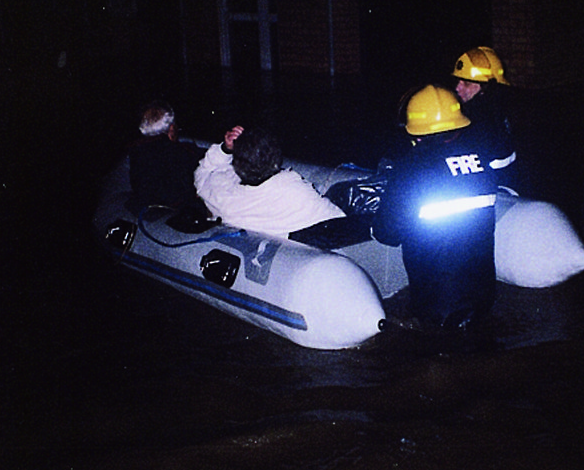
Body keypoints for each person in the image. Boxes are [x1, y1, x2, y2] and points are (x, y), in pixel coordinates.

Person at [372, 84, 510, 330]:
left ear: (415, 130)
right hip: (482, 299)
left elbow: (387, 233)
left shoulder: (411, 167)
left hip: (435, 307)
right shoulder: (481, 158)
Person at [194, 125, 346, 238]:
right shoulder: (296, 191)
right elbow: (339, 221)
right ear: (276, 160)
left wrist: (225, 149)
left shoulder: (221, 196)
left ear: (237, 166)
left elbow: (202, 174)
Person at [452, 46, 519, 191]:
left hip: (496, 191)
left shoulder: (479, 120)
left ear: (486, 87)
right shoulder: (499, 110)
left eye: (466, 83)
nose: (458, 88)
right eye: (458, 81)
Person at [127, 101, 205, 214]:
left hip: (144, 211)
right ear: (171, 129)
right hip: (170, 213)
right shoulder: (181, 152)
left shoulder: (135, 151)